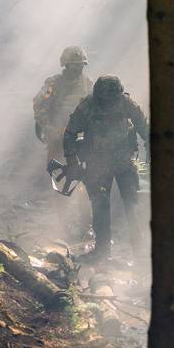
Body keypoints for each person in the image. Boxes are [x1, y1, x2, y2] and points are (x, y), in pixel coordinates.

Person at [62, 75, 149, 262]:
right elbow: (69, 134)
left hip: (124, 161)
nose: (110, 103)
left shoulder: (126, 103)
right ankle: (102, 252)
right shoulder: (87, 106)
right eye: (106, 100)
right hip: (98, 164)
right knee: (100, 208)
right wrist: (72, 162)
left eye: (113, 99)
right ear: (98, 97)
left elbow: (144, 128)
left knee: (132, 207)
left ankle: (140, 253)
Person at [33, 46, 93, 165]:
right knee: (56, 170)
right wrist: (48, 127)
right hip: (57, 135)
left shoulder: (87, 83)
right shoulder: (54, 84)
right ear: (66, 65)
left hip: (81, 136)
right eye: (74, 65)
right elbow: (40, 105)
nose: (78, 68)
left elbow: (94, 108)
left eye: (81, 65)